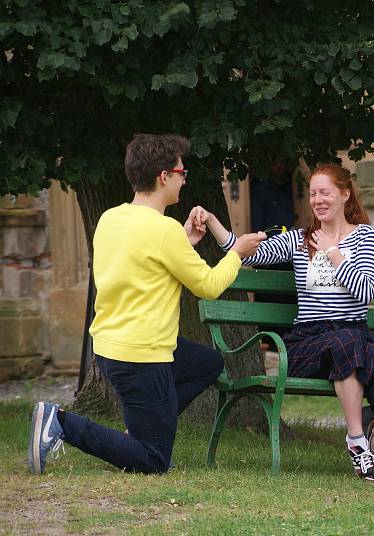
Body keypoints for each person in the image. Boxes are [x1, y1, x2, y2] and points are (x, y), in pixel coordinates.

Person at [28, 134, 265, 475]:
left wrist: (184, 240)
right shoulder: (164, 230)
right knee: (153, 460)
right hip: (142, 355)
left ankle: (143, 427)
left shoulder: (111, 218)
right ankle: (61, 423)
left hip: (110, 347)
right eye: (182, 172)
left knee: (208, 364)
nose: (185, 179)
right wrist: (236, 253)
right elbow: (210, 286)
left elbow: (143, 261)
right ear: (164, 176)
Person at [202, 163, 374, 482]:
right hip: (308, 343)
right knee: (345, 344)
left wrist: (333, 253)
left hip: (354, 334)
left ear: (344, 194)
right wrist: (214, 223)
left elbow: (365, 290)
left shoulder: (364, 238)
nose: (317, 200)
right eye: (313, 193)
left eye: (325, 192)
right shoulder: (300, 240)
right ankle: (356, 442)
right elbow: (247, 254)